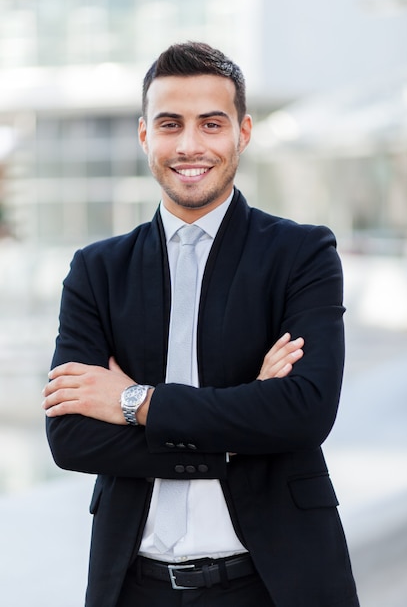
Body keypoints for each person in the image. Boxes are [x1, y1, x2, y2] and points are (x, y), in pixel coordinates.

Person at [42, 42, 359, 607]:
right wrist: (239, 428)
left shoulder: (302, 254)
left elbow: (305, 412)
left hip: (275, 583)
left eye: (211, 124)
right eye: (171, 124)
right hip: (134, 587)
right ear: (145, 136)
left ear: (243, 132)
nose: (190, 145)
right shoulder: (97, 269)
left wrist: (134, 402)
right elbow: (70, 437)